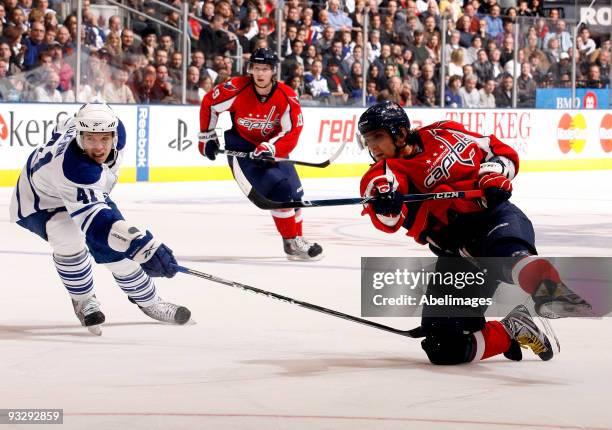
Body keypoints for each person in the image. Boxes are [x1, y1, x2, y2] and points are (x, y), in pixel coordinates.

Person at [356, 101, 593, 365]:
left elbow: (497, 151)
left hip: (493, 218)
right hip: (457, 253)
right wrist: (386, 202)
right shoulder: (382, 175)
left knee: (509, 255)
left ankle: (550, 290)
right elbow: (387, 220)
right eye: (368, 140)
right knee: (443, 348)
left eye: (378, 137)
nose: (372, 146)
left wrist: (492, 176)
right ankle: (514, 328)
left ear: (399, 133)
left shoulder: (443, 132)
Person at [9, 103, 191, 335]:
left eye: (104, 139)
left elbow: (67, 124)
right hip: (40, 200)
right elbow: (97, 226)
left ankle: (150, 301)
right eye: (90, 140)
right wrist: (143, 247)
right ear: (79, 136)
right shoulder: (76, 168)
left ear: (114, 136)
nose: (98, 147)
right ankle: (83, 299)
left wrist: (133, 245)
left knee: (117, 250)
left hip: (83, 192)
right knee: (67, 234)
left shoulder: (116, 132)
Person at [198, 48, 323, 261]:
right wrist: (207, 136)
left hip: (273, 151)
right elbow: (210, 103)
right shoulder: (236, 88)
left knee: (296, 195)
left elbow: (292, 130)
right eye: (256, 68)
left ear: (273, 71)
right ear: (251, 69)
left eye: (265, 69)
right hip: (243, 151)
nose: (260, 73)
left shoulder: (286, 95)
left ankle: (295, 241)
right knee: (280, 191)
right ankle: (293, 242)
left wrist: (271, 148)